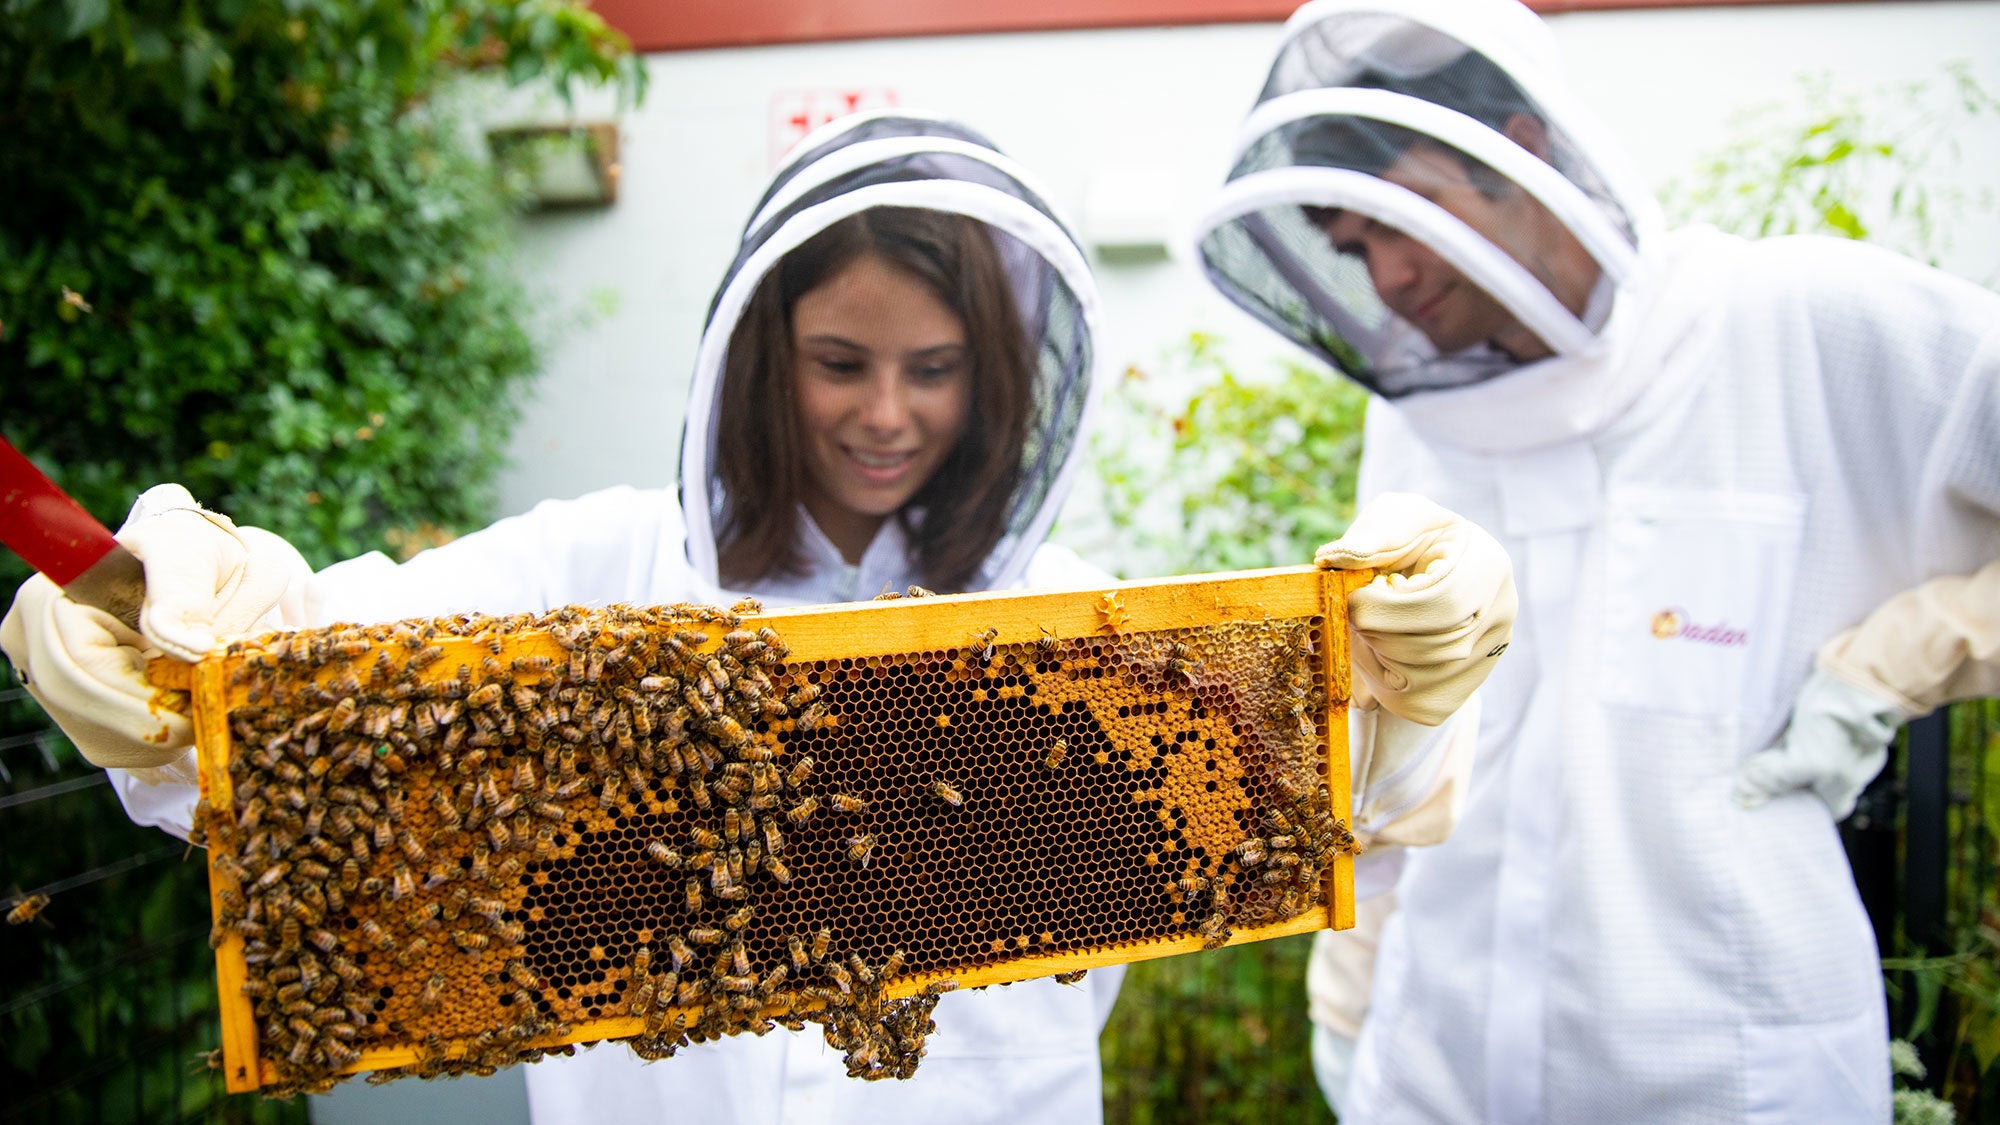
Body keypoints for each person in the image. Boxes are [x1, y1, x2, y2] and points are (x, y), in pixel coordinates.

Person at [1, 111, 1516, 1123]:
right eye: (840, 359)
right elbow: (300, 685)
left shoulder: (1072, 618)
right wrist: (176, 650)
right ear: (757, 355)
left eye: (933, 368)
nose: (886, 413)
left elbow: (1338, 803)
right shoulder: (600, 567)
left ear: (992, 377)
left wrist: (1401, 679)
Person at [1193, 1, 2000, 1122]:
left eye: (1402, 216)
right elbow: (1393, 727)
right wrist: (1355, 976)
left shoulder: (1796, 324)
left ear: (1519, 151)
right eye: (1352, 243)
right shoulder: (1423, 420)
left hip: (1734, 1071)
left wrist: (1911, 656)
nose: (1387, 280)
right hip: (1435, 1066)